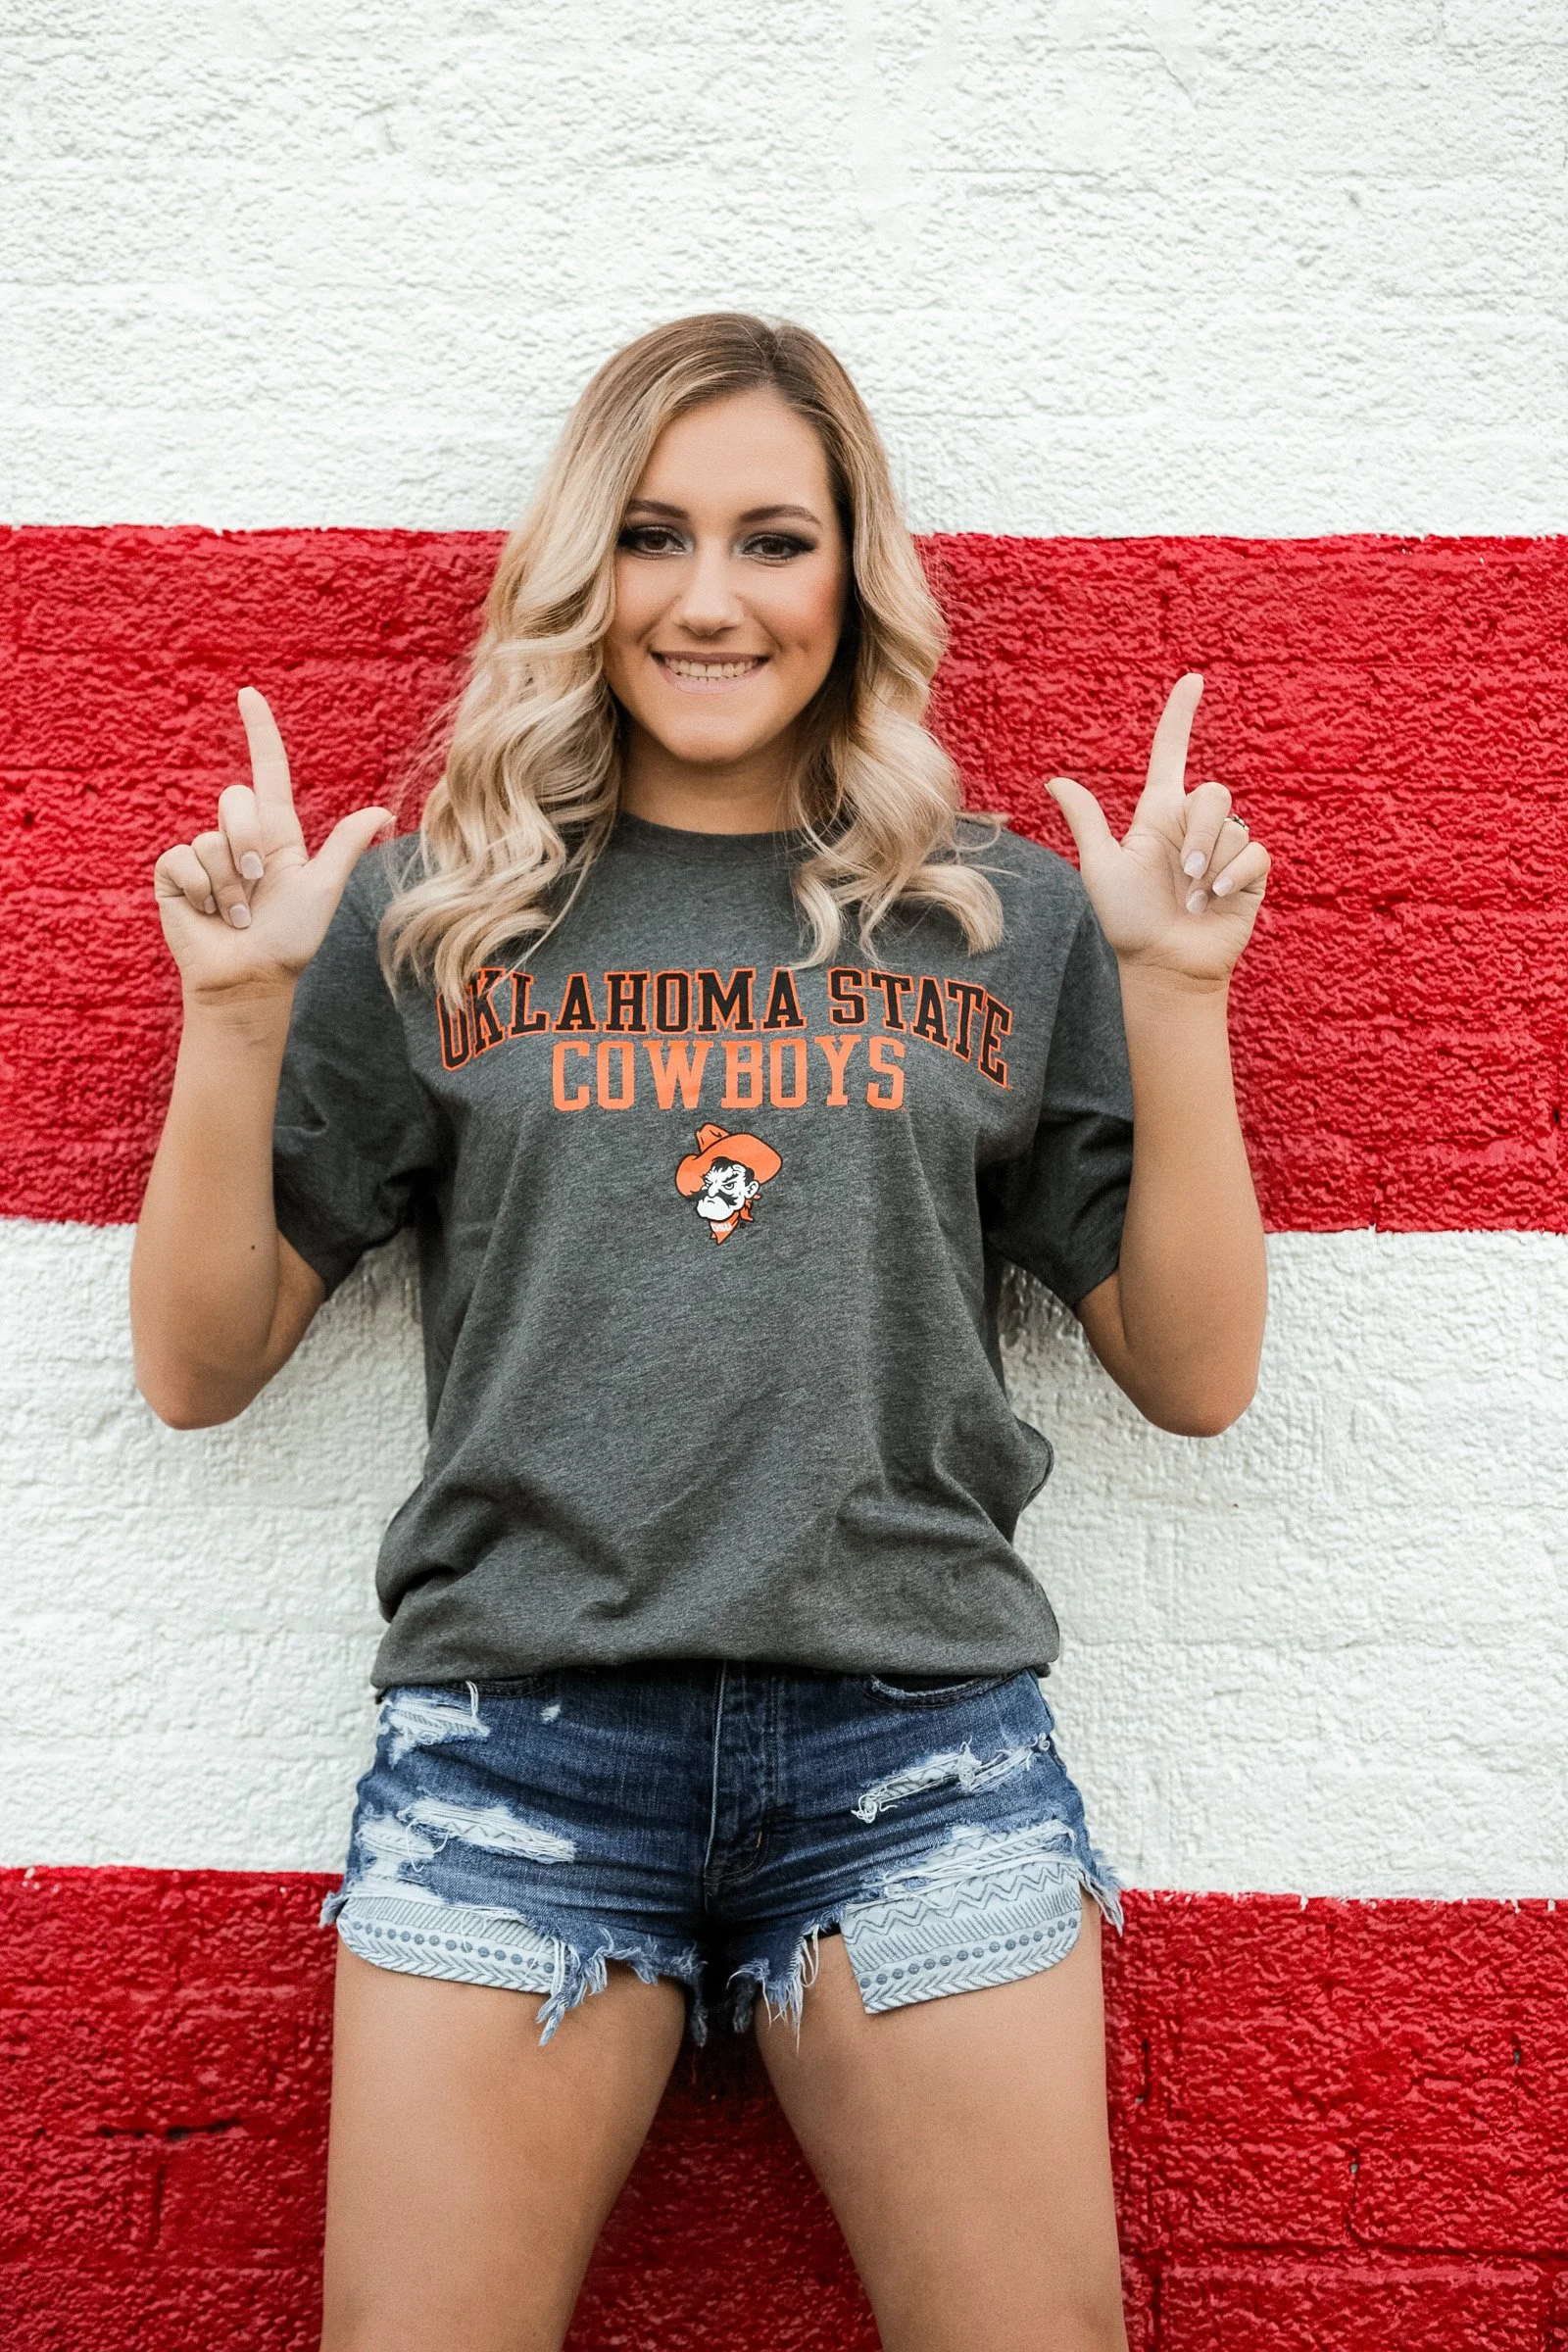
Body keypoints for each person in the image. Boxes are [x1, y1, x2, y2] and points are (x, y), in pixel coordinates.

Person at [130, 314, 1268, 2352]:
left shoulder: (993, 920)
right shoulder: (437, 915)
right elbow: (199, 1368)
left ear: (852, 575)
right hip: (519, 1747)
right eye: (651, 536)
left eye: (772, 538)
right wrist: (230, 1022)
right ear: (585, 570)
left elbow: (1190, 1378)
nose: (709, 597)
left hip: (913, 1741)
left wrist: (1172, 995)